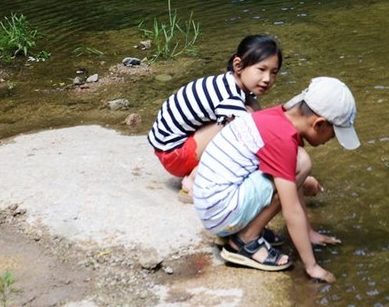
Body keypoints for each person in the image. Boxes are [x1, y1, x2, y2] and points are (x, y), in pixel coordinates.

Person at [192, 76, 360, 283]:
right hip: (220, 211)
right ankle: (245, 240)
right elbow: (292, 210)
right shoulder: (282, 140)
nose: (330, 141)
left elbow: (290, 174)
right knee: (301, 165)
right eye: (333, 135)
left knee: (298, 166)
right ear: (319, 124)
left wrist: (308, 232)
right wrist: (312, 266)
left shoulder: (278, 117)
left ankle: (244, 230)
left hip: (211, 203)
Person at [148, 34, 282, 197]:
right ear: (238, 65)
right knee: (241, 128)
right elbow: (251, 137)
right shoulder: (229, 97)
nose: (267, 79)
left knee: (249, 116)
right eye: (261, 70)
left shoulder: (229, 82)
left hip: (167, 145)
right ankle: (194, 179)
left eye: (274, 72)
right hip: (174, 155)